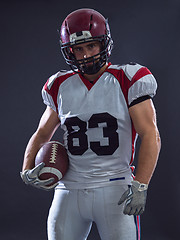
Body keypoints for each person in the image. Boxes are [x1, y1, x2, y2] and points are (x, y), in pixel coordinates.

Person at [21, 8, 161, 240]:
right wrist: (26, 168)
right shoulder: (59, 85)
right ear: (70, 51)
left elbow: (150, 134)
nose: (86, 55)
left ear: (103, 44)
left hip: (115, 186)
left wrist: (141, 184)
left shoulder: (128, 78)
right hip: (69, 188)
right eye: (78, 49)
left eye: (91, 46)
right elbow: (43, 132)